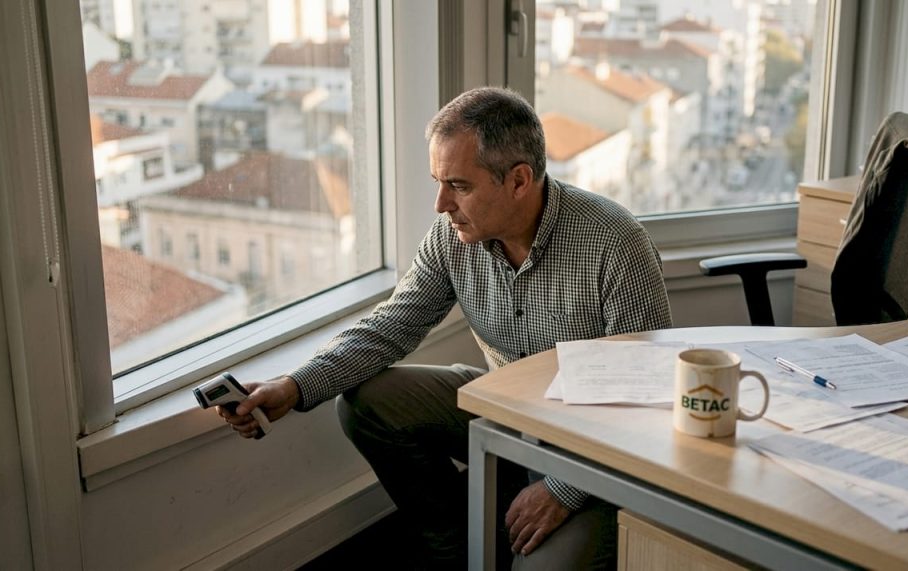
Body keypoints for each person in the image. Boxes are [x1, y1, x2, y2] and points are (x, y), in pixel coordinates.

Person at [218, 86, 672, 569]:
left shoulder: (614, 242)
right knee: (366, 404)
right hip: (506, 415)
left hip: (593, 451)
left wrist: (561, 491)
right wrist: (293, 387)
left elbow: (645, 399)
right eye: (438, 182)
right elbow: (392, 325)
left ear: (519, 181)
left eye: (459, 185)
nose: (440, 204)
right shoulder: (453, 234)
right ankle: (454, 549)